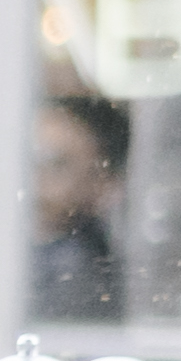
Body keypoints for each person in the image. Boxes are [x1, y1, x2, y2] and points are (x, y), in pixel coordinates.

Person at [27, 84, 134, 324]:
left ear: (103, 183)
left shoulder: (78, 272)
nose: (34, 180)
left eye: (56, 163)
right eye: (29, 159)